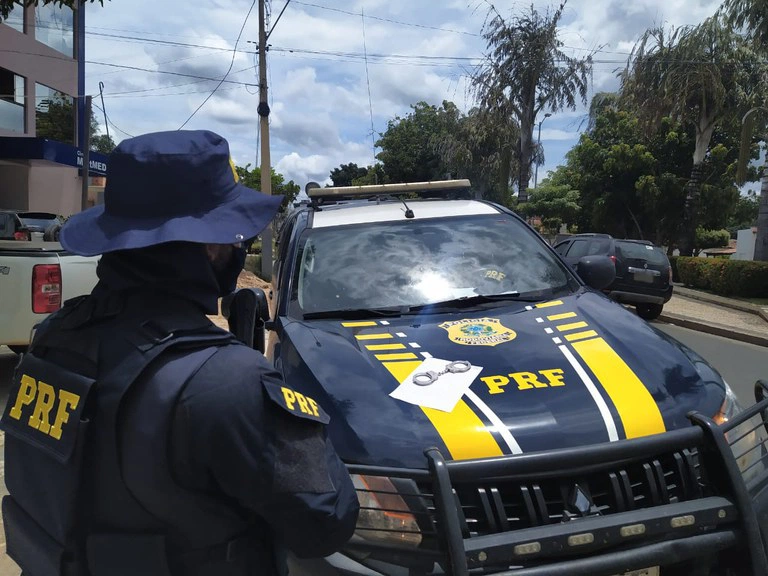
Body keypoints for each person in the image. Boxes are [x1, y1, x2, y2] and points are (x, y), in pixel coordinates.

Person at [0, 130, 359, 576]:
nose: (239, 245)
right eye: (234, 234)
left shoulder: (56, 334)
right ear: (209, 247)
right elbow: (326, 522)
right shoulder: (230, 384)